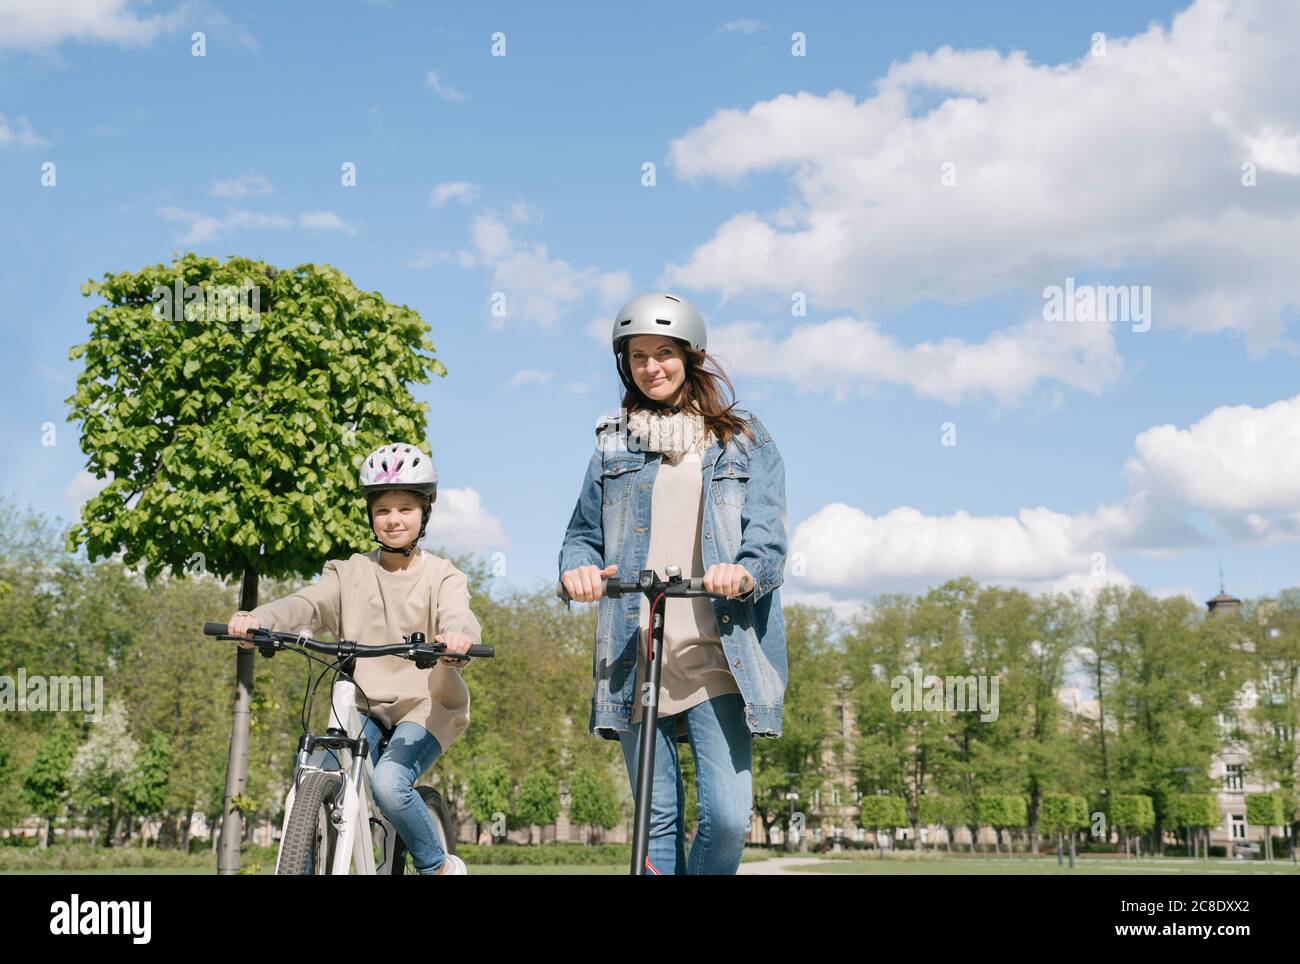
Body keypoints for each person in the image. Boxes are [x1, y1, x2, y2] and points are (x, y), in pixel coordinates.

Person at [558, 292, 789, 874]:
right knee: (655, 820)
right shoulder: (613, 443)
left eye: (664, 352)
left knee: (729, 817)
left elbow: (769, 538)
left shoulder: (742, 438)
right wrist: (577, 570)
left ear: (691, 356)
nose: (651, 366)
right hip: (637, 651)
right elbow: (582, 535)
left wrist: (743, 571)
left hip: (720, 654)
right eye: (637, 356)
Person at [228, 442, 480, 875]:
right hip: (360, 702)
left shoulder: (443, 575)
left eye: (405, 508)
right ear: (370, 516)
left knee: (388, 783)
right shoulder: (347, 573)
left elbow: (459, 615)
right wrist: (258, 618)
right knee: (310, 782)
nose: (394, 519)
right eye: (383, 509)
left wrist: (457, 639)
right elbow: (305, 604)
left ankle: (437, 865)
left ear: (424, 515)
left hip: (426, 704)